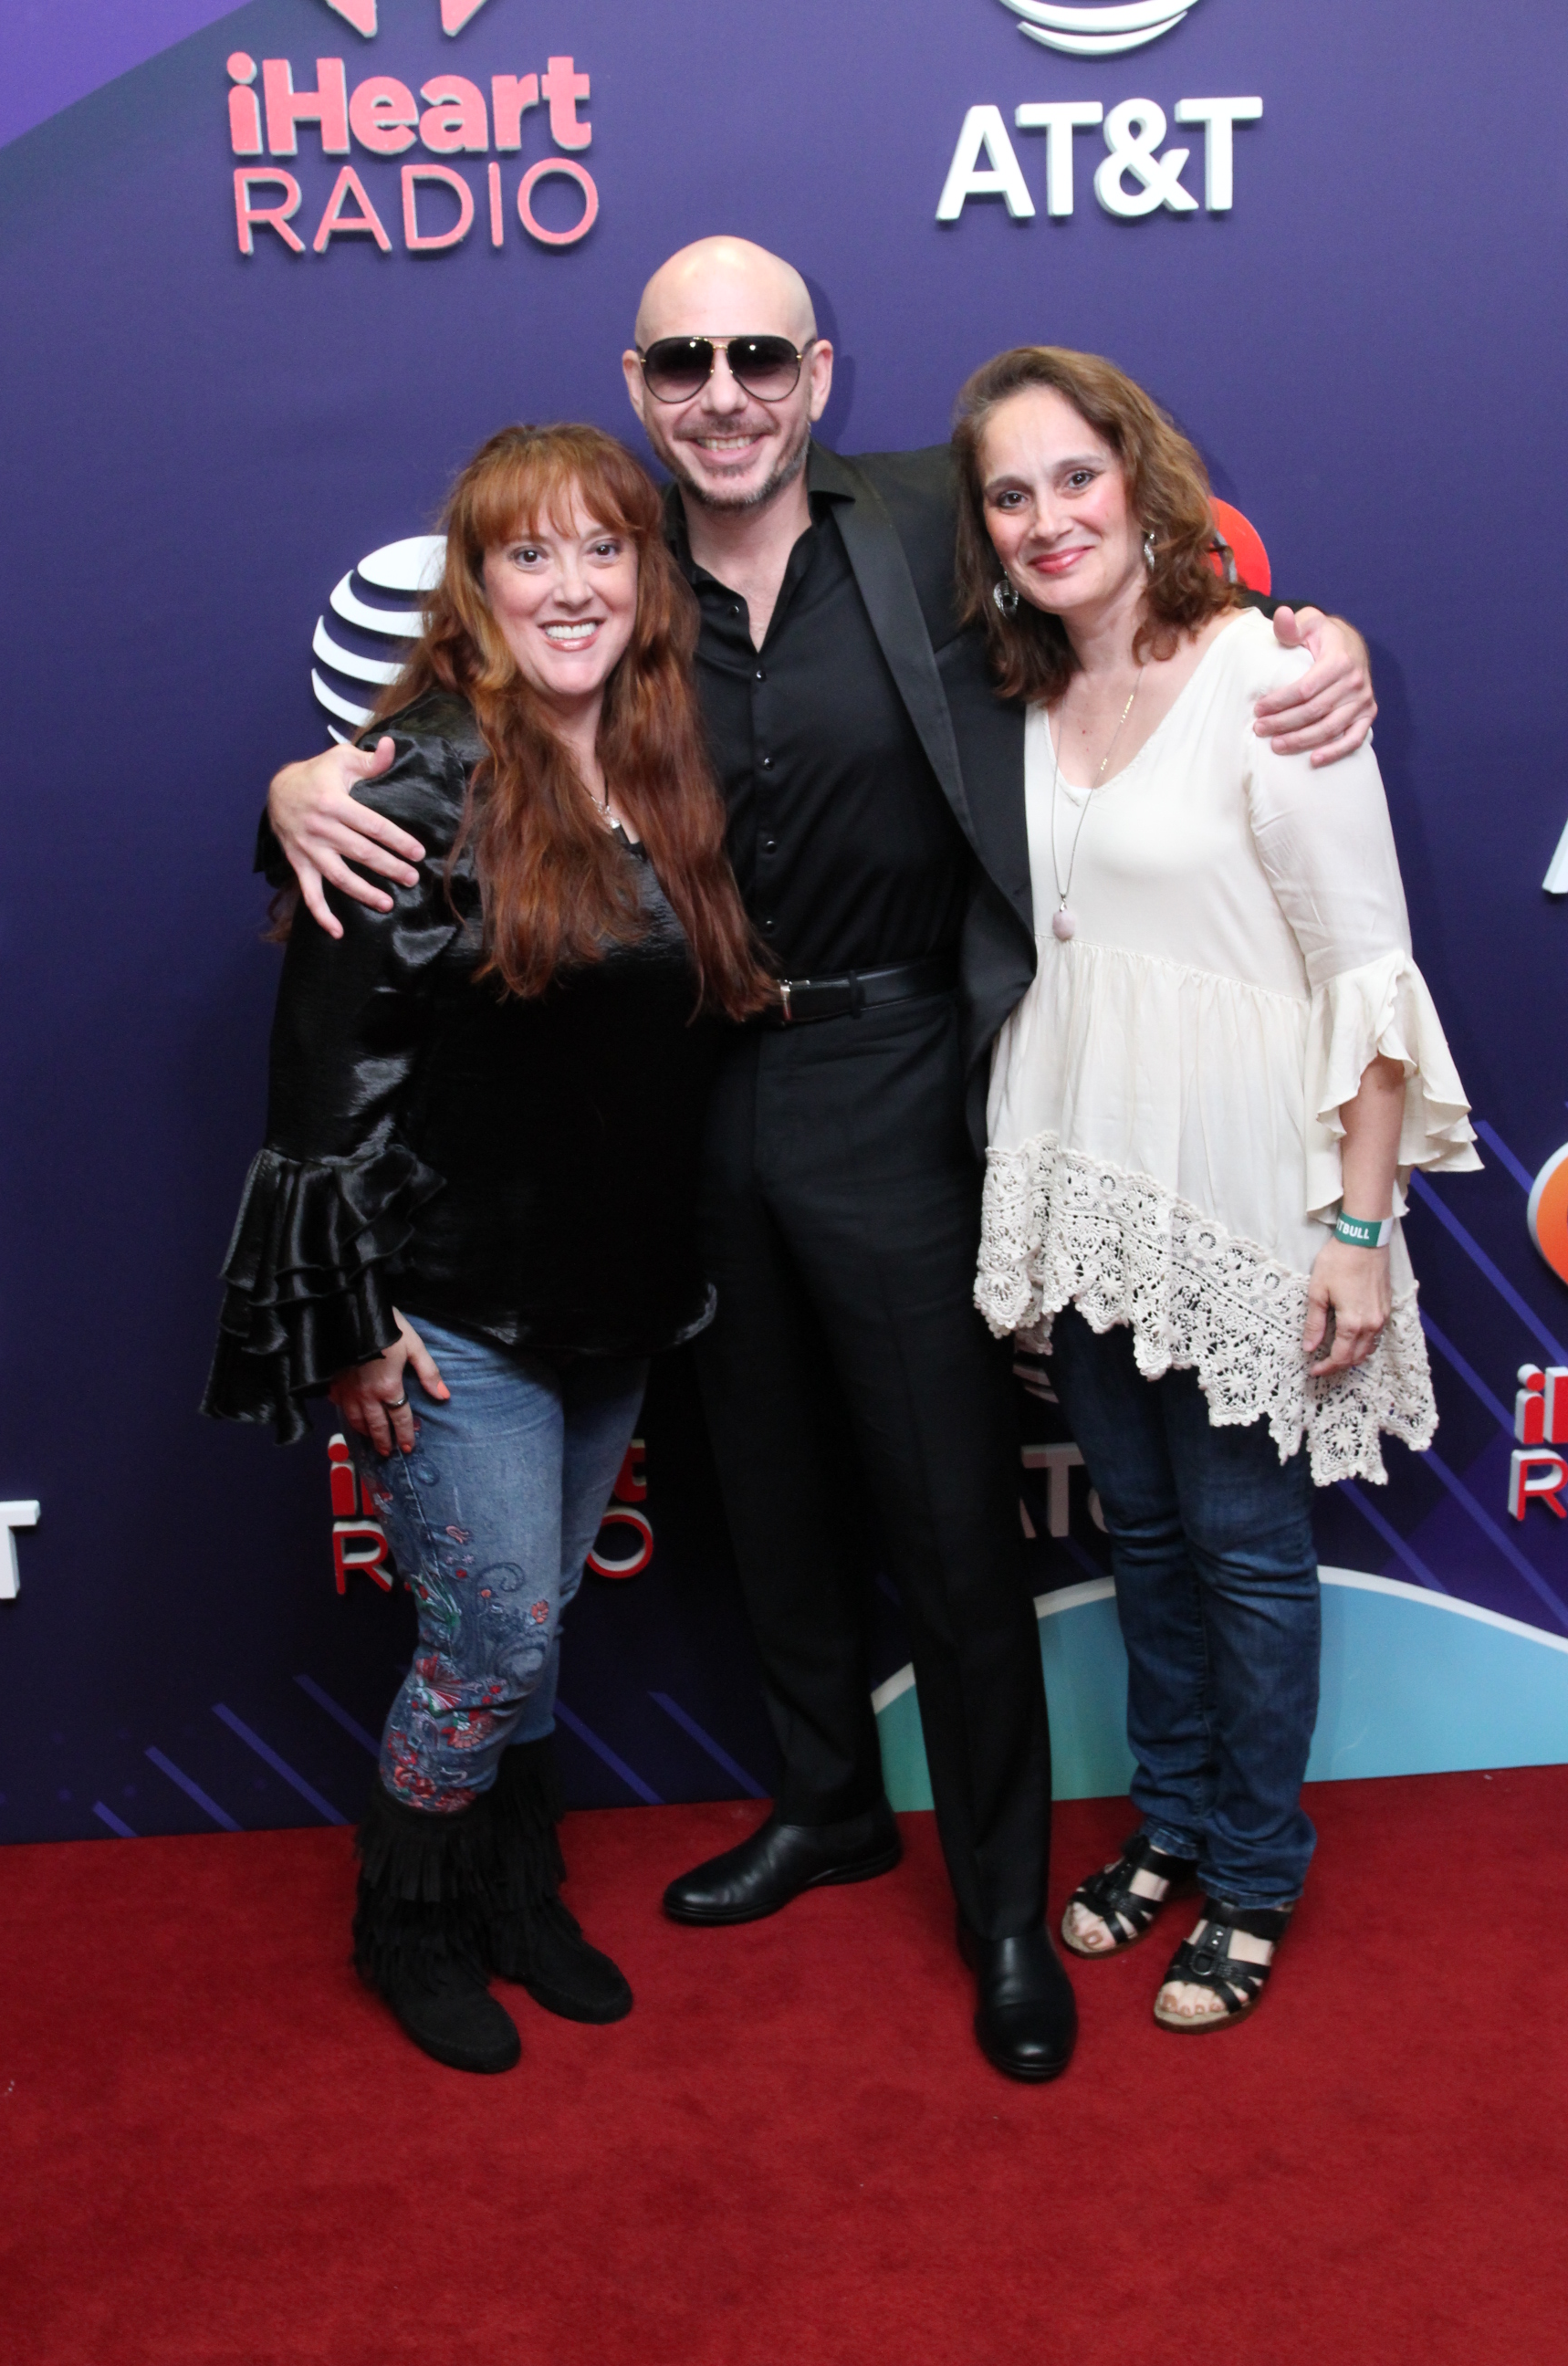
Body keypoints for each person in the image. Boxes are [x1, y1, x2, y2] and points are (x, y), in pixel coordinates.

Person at [257, 239, 1378, 2082]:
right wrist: (297, 785)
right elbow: (452, 738)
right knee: (766, 1494)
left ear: (818, 373)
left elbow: (1130, 571)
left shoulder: (935, 515)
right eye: (684, 360)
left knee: (950, 1519)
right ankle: (828, 1805)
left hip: (900, 1075)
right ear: (638, 384)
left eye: (759, 356)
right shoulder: (613, 565)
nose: (724, 393)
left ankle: (1001, 1908)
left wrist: (1310, 637)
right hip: (695, 1088)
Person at [204, 421, 773, 2074]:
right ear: (475, 586)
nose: (571, 585)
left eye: (604, 548)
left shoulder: (666, 767)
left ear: (647, 576)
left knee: (531, 1635)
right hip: (450, 1321)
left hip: (620, 1307)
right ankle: (409, 1923)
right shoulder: (407, 784)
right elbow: (324, 1082)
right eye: (531, 554)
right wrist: (351, 1323)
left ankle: (518, 1896)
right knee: (492, 1643)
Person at [941, 344, 1478, 2030]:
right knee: (1151, 1538)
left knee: (1246, 1553)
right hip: (1097, 1194)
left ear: (1141, 481)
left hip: (1250, 1204)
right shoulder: (1018, 698)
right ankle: (1171, 1821)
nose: (1047, 518)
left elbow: (1366, 972)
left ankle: (1253, 1870)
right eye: (1010, 494)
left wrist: (1360, 1228)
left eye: (1074, 477)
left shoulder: (1274, 676)